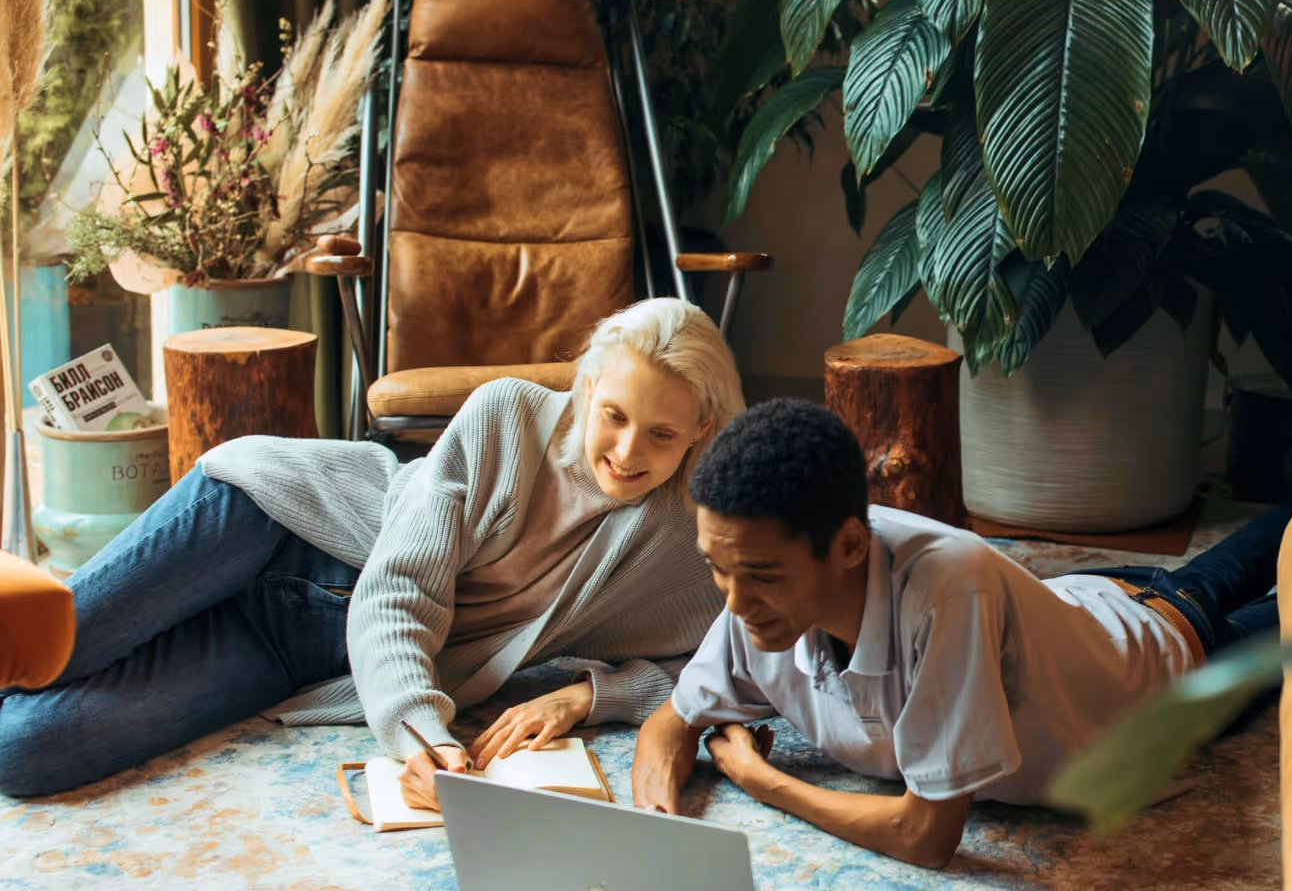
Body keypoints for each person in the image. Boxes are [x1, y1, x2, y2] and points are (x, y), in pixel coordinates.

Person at [0, 298, 744, 805]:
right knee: (34, 648)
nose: (625, 450)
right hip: (266, 523)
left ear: (701, 433)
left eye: (662, 435)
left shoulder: (686, 541)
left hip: (297, 649)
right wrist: (416, 727)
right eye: (613, 415)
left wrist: (592, 695)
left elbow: (726, 664)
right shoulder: (507, 415)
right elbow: (399, 591)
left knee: (25, 749)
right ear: (587, 388)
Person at [631, 399, 1292, 868]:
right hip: (1076, 603)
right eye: (717, 568)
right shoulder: (758, 585)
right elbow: (674, 721)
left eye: (760, 576)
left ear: (848, 546)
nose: (736, 603)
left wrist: (760, 779)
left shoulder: (947, 592)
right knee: (1264, 549)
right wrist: (652, 831)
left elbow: (927, 837)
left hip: (1165, 656)